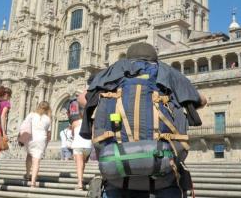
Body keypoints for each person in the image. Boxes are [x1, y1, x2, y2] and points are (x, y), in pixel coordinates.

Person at [82, 42, 207, 198]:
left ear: (128, 58)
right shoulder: (169, 74)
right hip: (163, 179)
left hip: (117, 178)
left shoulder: (110, 74)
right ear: (154, 58)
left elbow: (82, 99)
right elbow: (202, 101)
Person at [23, 101, 52, 188]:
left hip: (30, 138)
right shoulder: (48, 119)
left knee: (29, 155)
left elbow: (24, 125)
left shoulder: (31, 115)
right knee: (36, 161)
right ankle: (33, 182)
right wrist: (47, 142)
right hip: (41, 140)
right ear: (48, 109)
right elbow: (49, 133)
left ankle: (28, 174)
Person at [70, 94, 92, 191]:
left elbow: (73, 135)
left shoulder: (75, 123)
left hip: (78, 144)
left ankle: (79, 183)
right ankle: (81, 178)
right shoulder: (90, 123)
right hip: (87, 145)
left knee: (79, 163)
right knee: (82, 163)